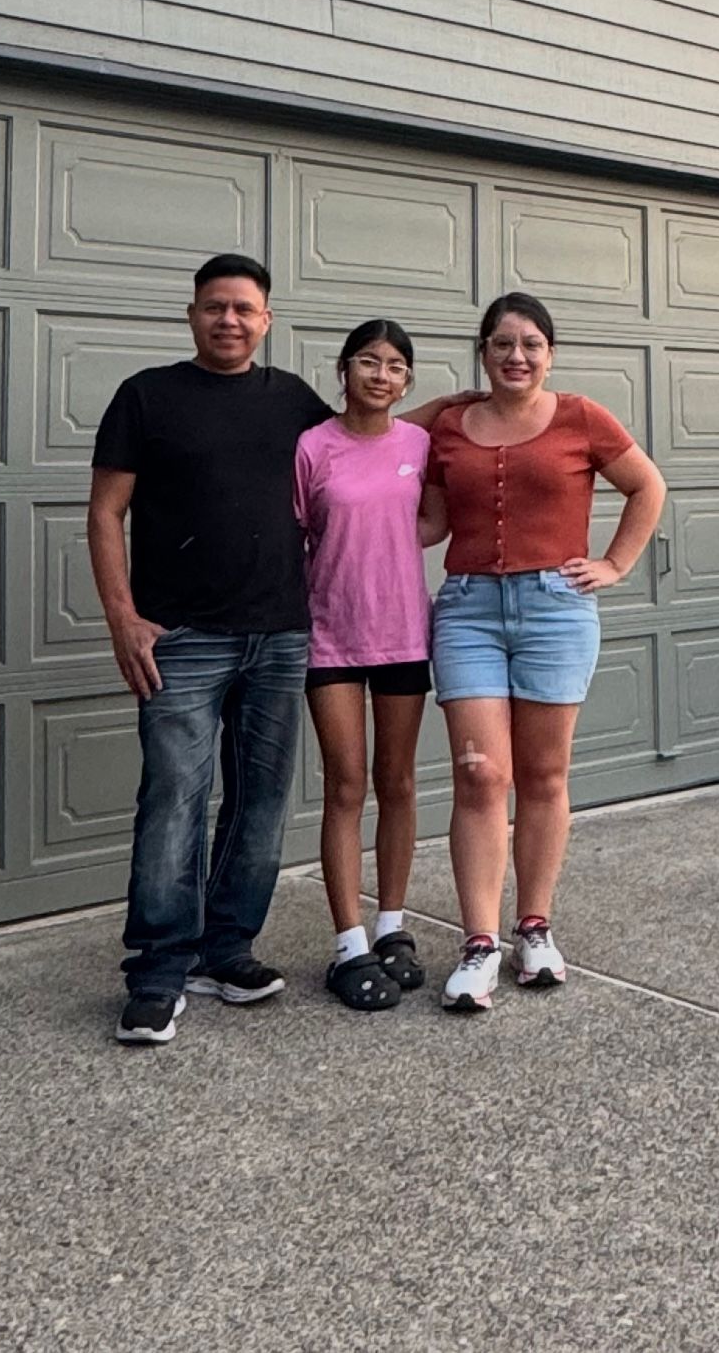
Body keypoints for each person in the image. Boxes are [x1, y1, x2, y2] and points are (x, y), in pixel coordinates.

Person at [88, 255, 474, 1044]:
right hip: (183, 638)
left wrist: (461, 404)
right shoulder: (146, 397)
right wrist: (122, 618)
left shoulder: (291, 402)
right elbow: (105, 513)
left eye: (244, 310)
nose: (229, 320)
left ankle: (227, 949)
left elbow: (373, 432)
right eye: (215, 307)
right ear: (192, 313)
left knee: (260, 803)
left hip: (281, 635)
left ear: (266, 321)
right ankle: (159, 972)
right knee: (174, 801)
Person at [420, 292, 666, 1012]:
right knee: (479, 774)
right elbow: (424, 512)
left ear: (549, 353)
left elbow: (646, 485)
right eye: (500, 344)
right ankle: (477, 943)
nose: (515, 356)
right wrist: (438, 403)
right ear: (483, 352)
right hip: (466, 609)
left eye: (529, 343)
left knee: (544, 773)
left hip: (556, 611)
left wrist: (615, 565)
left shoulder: (580, 417)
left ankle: (534, 927)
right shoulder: (447, 425)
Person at [294, 320, 432, 1011]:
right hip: (332, 640)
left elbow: (433, 520)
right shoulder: (312, 447)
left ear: (408, 381)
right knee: (346, 786)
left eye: (396, 366)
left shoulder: (419, 446)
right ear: (344, 370)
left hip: (405, 634)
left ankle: (392, 927)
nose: (381, 374)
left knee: (398, 781)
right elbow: (294, 535)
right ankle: (348, 942)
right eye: (368, 362)